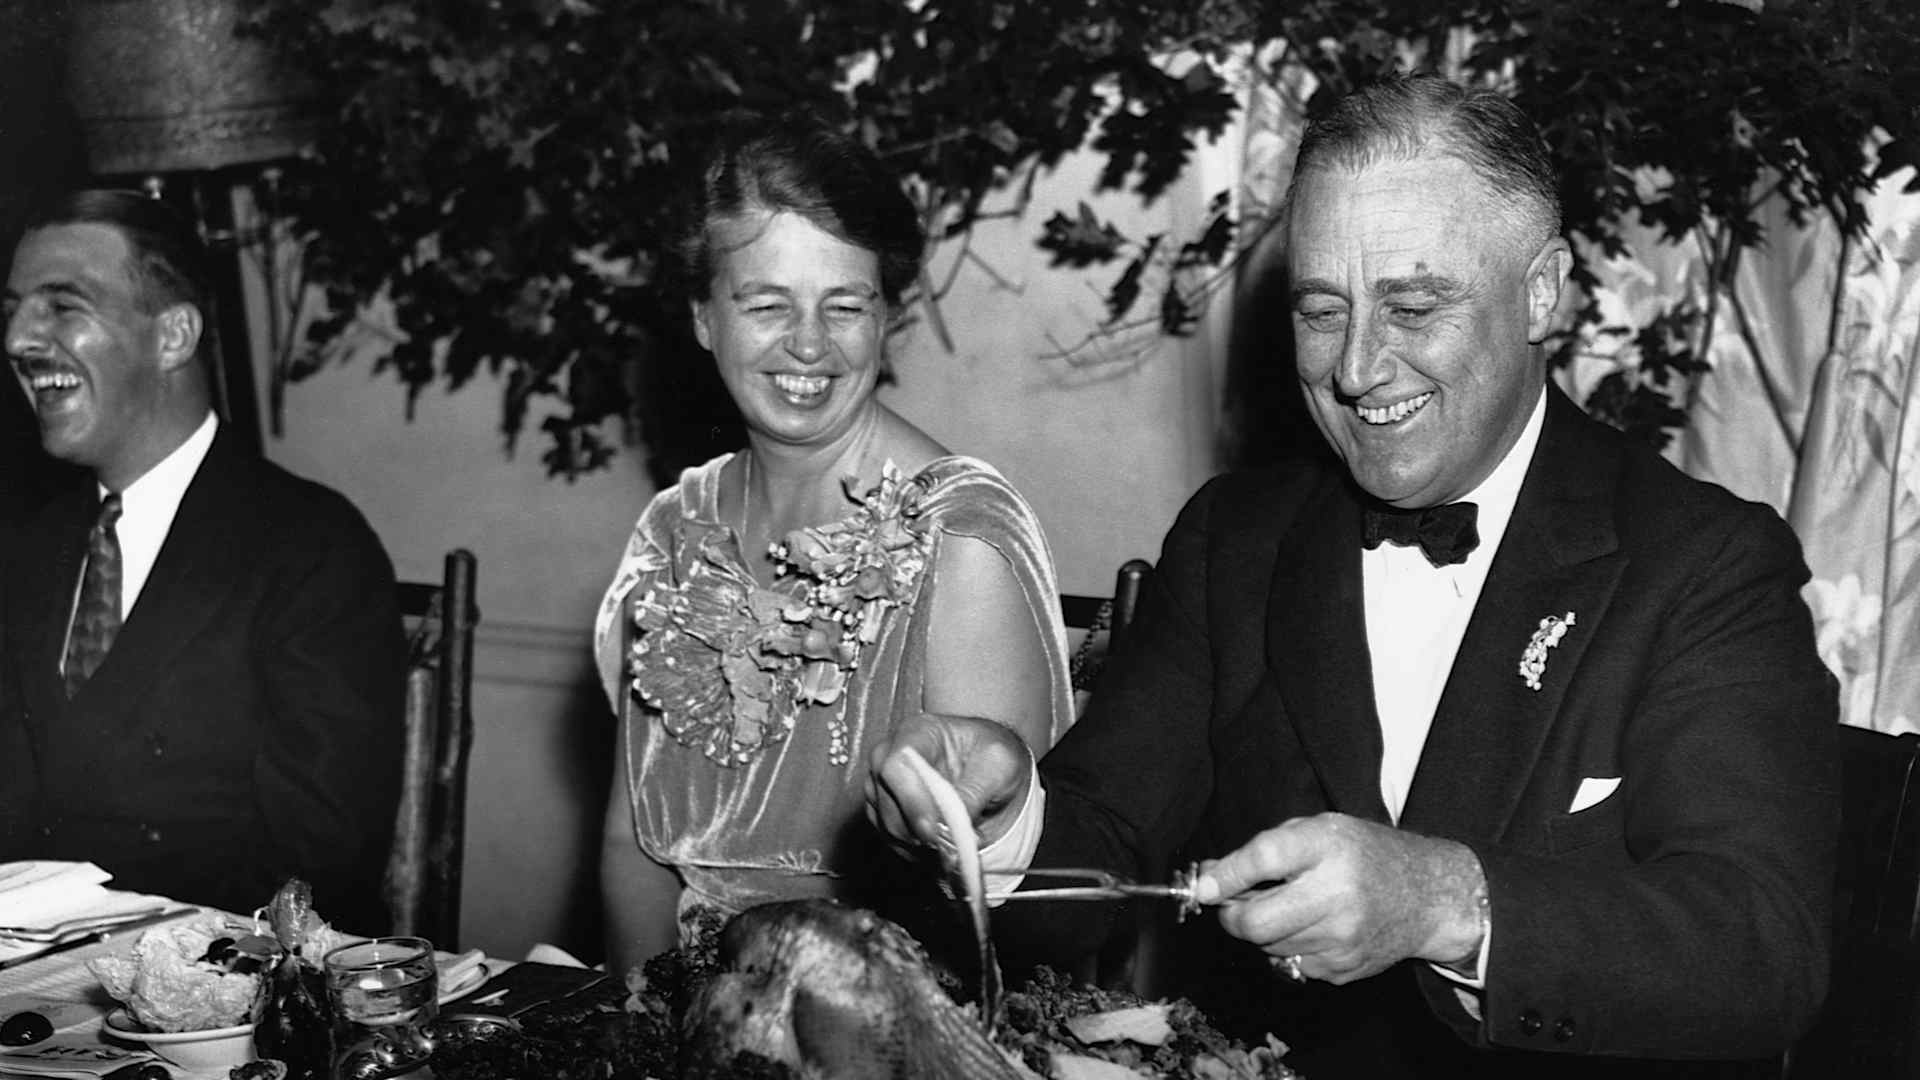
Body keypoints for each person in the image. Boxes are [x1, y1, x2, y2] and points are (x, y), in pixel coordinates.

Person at [870, 74, 1838, 1077]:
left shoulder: (1703, 564)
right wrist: (995, 818)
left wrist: (1444, 902)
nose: (1357, 369)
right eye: (1323, 312)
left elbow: (1761, 950)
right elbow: (1104, 843)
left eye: (1413, 307)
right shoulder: (1236, 541)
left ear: (1542, 290)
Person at [592, 113, 1075, 977]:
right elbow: (633, 847)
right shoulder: (673, 530)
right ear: (703, 316)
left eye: (844, 305)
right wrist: (643, 1014)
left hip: (894, 1009)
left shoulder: (959, 536)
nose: (809, 344)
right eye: (767, 304)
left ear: (886, 317)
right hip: (682, 1007)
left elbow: (1001, 912)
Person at [0, 190, 405, 933]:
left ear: (174, 335)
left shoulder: (311, 548)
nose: (19, 339)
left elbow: (319, 865)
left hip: (228, 979)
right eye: (13, 310)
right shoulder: (26, 549)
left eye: (61, 306)